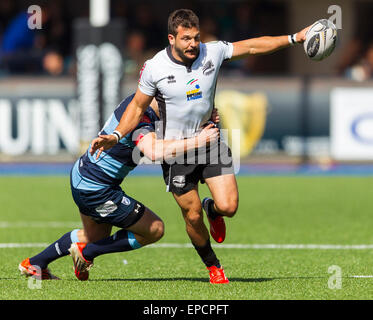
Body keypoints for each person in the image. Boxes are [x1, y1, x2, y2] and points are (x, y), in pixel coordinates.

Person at [89, 9, 310, 284]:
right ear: (172, 38)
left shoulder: (212, 52)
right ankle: (213, 266)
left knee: (229, 206)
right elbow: (137, 106)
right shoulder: (155, 67)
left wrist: (294, 38)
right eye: (186, 39)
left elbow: (252, 46)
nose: (193, 44)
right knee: (192, 217)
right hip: (177, 150)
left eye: (195, 38)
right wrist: (117, 134)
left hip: (209, 140)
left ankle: (213, 209)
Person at [18, 93, 219, 281]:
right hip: (97, 189)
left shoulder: (139, 103)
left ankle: (34, 264)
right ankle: (86, 253)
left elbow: (171, 128)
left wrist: (203, 120)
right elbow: (155, 151)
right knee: (154, 229)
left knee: (94, 236)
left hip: (85, 177)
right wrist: (198, 140)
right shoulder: (142, 120)